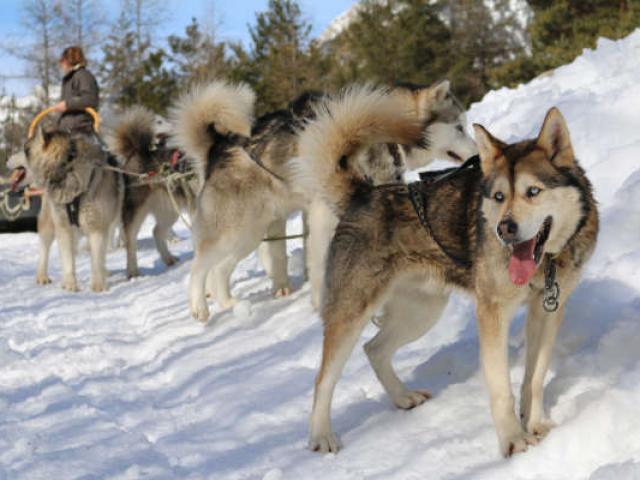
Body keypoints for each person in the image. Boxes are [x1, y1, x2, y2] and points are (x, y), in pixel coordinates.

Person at [52, 46, 99, 134]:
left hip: (80, 131)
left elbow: (90, 99)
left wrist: (67, 104)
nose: (61, 65)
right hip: (68, 131)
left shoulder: (83, 76)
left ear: (67, 60)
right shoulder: (70, 79)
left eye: (62, 61)